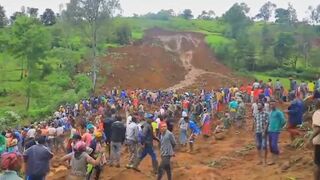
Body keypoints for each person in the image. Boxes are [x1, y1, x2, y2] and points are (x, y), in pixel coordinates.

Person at [309, 100, 320, 180]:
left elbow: (318, 128)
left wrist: (309, 139)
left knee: (317, 164)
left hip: (319, 143)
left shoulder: (317, 113)